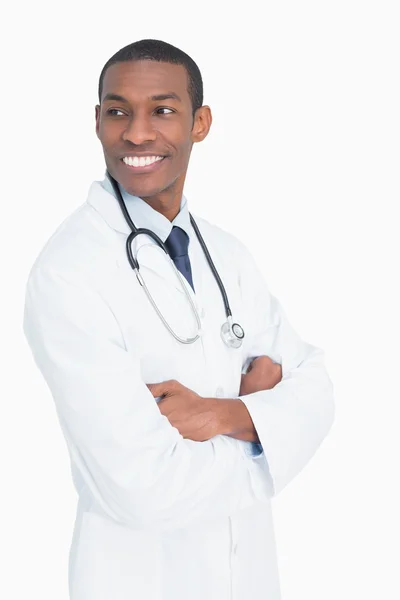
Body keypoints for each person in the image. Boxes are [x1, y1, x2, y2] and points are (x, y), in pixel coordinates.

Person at [23, 39, 335, 600]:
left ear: (200, 123)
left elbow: (317, 392)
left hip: (253, 579)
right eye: (118, 111)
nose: (138, 134)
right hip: (138, 581)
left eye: (162, 110)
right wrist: (264, 429)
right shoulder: (69, 273)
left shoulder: (229, 256)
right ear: (97, 122)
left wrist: (221, 414)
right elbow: (145, 490)